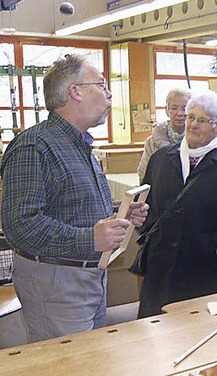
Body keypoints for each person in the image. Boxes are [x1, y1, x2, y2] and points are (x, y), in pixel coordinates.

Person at [0, 54, 148, 342]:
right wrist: (89, 239)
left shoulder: (79, 144)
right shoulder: (34, 147)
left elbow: (75, 209)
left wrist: (122, 216)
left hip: (88, 275)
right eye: (101, 84)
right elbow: (20, 226)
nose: (108, 93)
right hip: (56, 280)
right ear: (75, 92)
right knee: (67, 366)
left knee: (91, 361)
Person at [138, 90, 217, 318]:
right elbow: (144, 205)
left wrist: (212, 245)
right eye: (191, 117)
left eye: (202, 120)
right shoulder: (161, 159)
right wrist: (150, 237)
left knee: (197, 334)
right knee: (155, 335)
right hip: (161, 271)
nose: (192, 124)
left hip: (205, 273)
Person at [137, 88, 191, 181]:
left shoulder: (198, 141)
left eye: (184, 108)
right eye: (174, 108)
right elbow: (144, 174)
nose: (180, 113)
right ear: (167, 110)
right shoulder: (152, 142)